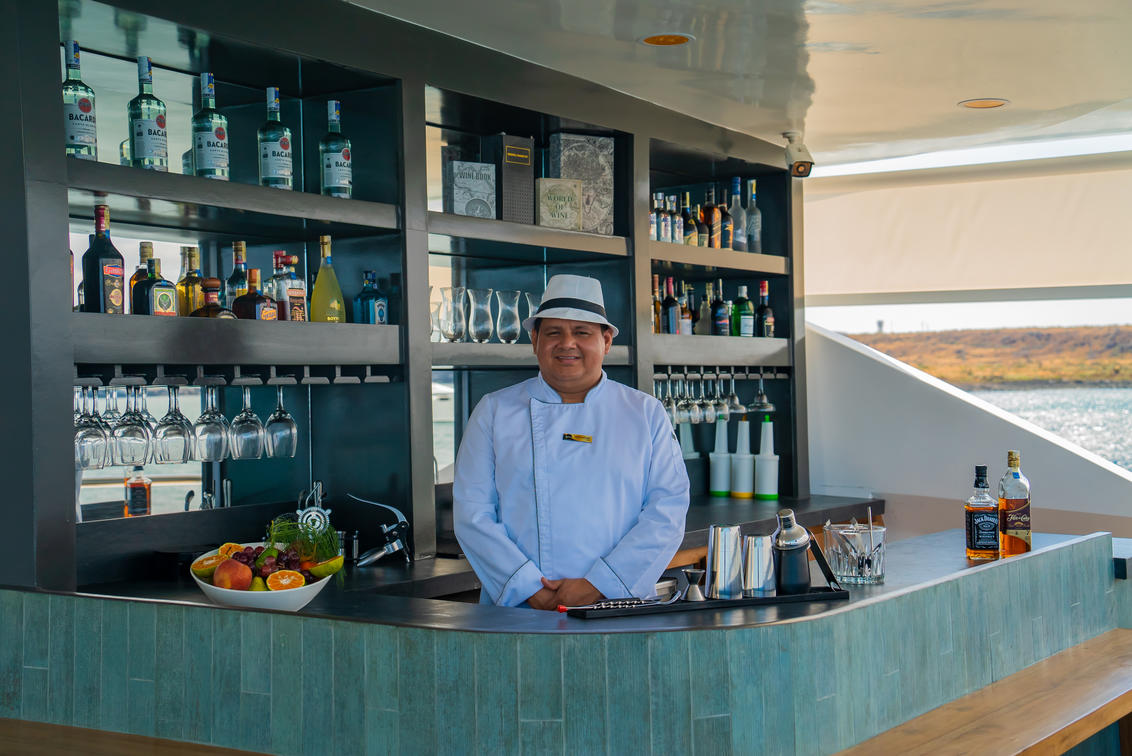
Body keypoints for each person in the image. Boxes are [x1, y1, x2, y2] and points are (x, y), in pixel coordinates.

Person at [453, 274, 690, 610]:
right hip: (521, 610)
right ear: (534, 340)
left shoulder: (644, 413)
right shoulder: (494, 411)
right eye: (553, 333)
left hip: (614, 606)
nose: (567, 344)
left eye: (581, 332)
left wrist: (601, 584)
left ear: (606, 341)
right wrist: (527, 588)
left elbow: (668, 510)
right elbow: (472, 514)